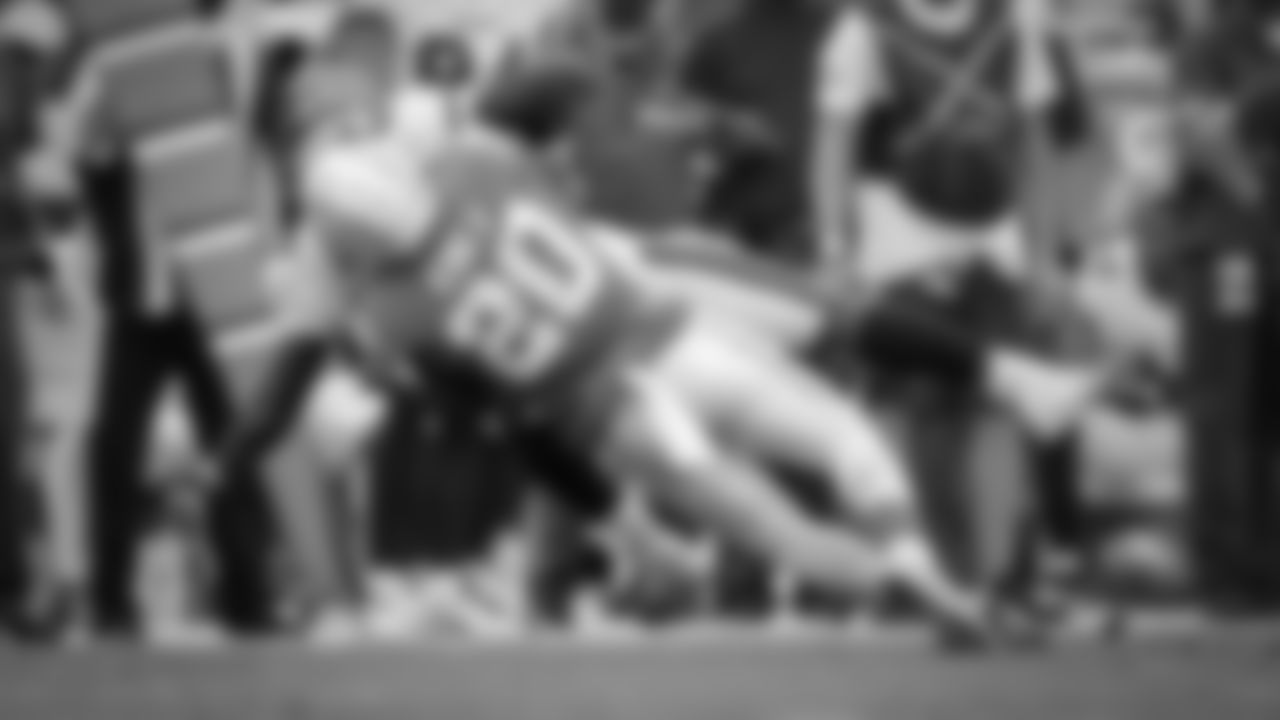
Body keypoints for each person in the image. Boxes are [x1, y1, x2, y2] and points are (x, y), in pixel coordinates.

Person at [285, 39, 1022, 646]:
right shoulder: (477, 168)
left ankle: (894, 582)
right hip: (672, 335)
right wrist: (602, 115)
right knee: (842, 434)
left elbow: (500, 420)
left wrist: (621, 523)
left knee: (783, 534)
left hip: (623, 418)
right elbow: (552, 85)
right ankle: (920, 560)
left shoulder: (394, 314)